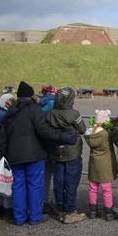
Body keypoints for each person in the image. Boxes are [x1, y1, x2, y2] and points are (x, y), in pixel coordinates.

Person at [0, 81, 77, 226]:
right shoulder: (34, 109)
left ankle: (19, 218)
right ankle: (35, 217)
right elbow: (44, 131)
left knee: (18, 186)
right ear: (30, 96)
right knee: (35, 186)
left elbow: (2, 137)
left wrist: (0, 157)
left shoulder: (10, 112)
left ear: (19, 97)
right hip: (34, 155)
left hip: (14, 156)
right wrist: (63, 137)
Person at [46, 87, 87, 224]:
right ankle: (69, 211)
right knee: (71, 182)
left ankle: (61, 209)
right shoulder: (74, 114)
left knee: (59, 182)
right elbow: (83, 129)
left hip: (58, 150)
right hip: (72, 151)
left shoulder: (50, 113)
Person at [83, 110, 118, 221]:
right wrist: (112, 128)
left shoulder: (90, 133)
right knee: (106, 189)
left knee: (93, 188)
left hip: (94, 162)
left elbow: (88, 132)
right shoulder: (108, 134)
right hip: (106, 163)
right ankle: (108, 211)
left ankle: (93, 210)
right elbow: (117, 140)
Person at [39, 84, 57, 214]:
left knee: (44, 176)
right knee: (58, 175)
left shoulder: (37, 104)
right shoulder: (55, 105)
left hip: (40, 145)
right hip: (54, 144)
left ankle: (44, 200)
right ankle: (56, 202)